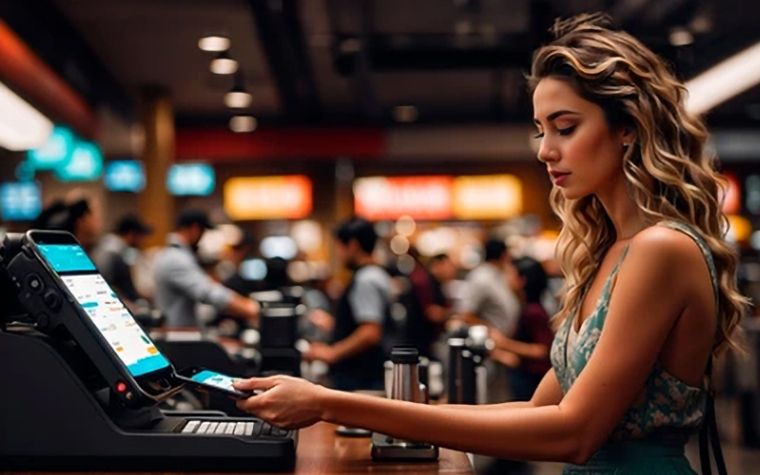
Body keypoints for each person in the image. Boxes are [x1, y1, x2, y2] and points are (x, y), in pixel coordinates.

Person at [232, 14, 747, 474]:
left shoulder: (662, 249)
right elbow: (538, 411)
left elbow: (575, 433)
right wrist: (356, 406)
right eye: (541, 130)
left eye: (565, 128)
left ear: (628, 129)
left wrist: (331, 405)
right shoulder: (611, 253)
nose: (546, 151)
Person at [302, 217, 392, 391]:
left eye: (338, 247)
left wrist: (332, 353)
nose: (338, 254)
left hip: (361, 377)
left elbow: (370, 332)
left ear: (353, 245)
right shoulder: (377, 274)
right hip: (366, 374)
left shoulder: (366, 279)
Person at [152, 208, 259, 329]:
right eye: (203, 232)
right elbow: (208, 293)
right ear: (194, 229)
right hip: (177, 335)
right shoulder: (176, 259)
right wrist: (248, 307)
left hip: (180, 332)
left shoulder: (173, 255)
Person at [490, 257, 554, 401]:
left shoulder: (534, 311)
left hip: (531, 380)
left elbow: (541, 350)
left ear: (522, 280)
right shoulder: (528, 307)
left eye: (510, 274)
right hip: (525, 377)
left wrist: (504, 343)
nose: (507, 280)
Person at [457, 239, 522, 339]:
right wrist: (490, 332)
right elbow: (466, 315)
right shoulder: (480, 277)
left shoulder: (499, 274)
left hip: (506, 340)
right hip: (491, 345)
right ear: (504, 255)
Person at [92, 214, 153, 313]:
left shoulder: (116, 249)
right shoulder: (111, 252)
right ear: (131, 234)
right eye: (140, 236)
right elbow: (105, 285)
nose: (142, 241)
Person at [33, 192, 102, 253]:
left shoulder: (91, 250)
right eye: (95, 216)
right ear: (81, 221)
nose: (99, 222)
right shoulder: (64, 253)